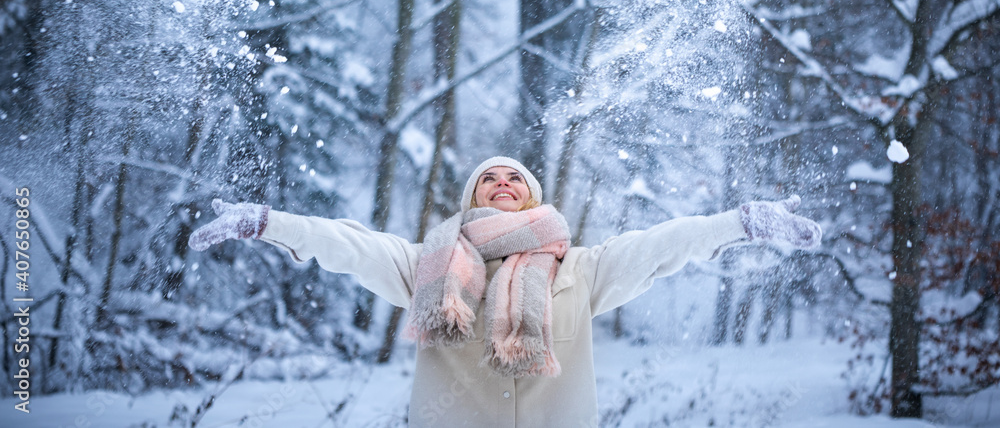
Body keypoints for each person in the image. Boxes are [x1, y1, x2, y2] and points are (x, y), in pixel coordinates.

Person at [189, 156, 821, 427]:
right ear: (470, 198)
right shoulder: (426, 268)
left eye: (512, 178)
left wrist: (742, 224)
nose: (499, 183)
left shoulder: (581, 268)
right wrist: (267, 223)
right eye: (486, 179)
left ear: (533, 196)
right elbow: (346, 243)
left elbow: (663, 244)